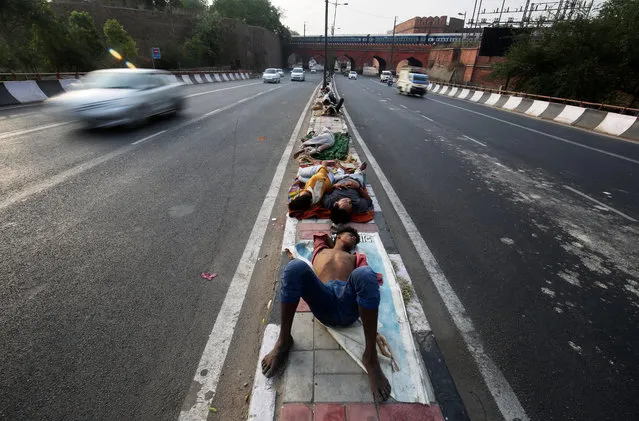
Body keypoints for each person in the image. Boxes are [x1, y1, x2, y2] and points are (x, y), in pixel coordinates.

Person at [261, 226, 391, 402]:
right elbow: (320, 236)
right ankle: (284, 340)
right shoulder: (320, 250)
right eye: (350, 234)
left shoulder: (355, 257)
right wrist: (333, 236)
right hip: (323, 299)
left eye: (355, 238)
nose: (353, 238)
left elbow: (370, 283)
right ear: (337, 236)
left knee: (366, 274)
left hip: (348, 302)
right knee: (294, 267)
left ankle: (371, 357)